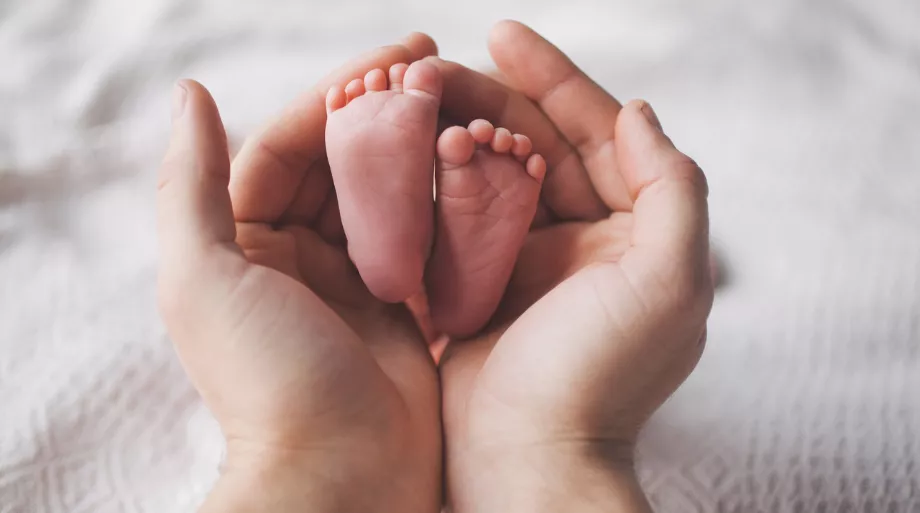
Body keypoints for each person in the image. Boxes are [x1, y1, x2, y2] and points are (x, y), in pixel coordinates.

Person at [156, 20, 713, 513]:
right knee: (478, 286)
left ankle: (396, 267)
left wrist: (308, 448)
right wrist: (550, 444)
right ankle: (458, 292)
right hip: (511, 347)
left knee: (416, 282)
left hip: (353, 363)